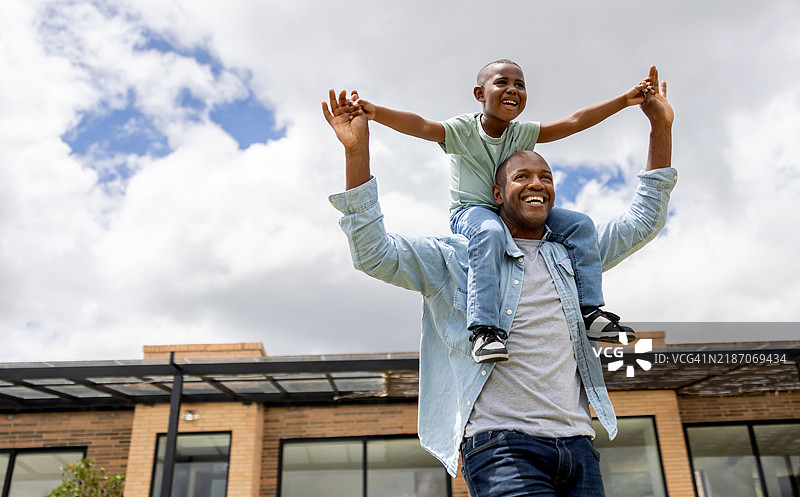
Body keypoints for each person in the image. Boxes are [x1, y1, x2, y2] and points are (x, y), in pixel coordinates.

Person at [324, 65, 675, 496]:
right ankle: (484, 330)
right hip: (502, 445)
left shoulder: (574, 257)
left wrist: (660, 127)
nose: (537, 185)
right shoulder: (455, 258)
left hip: (578, 445)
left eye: (546, 178)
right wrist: (356, 153)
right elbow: (374, 253)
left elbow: (644, 218)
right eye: (522, 177)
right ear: (496, 194)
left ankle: (593, 315)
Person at [349, 60, 654, 363]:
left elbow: (574, 121)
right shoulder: (462, 130)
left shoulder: (522, 132)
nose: (512, 89)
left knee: (580, 224)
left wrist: (624, 101)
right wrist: (376, 113)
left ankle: (590, 313)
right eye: (502, 82)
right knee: (490, 232)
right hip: (472, 213)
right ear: (479, 93)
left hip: (513, 209)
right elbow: (421, 125)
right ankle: (485, 330)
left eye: (520, 84)